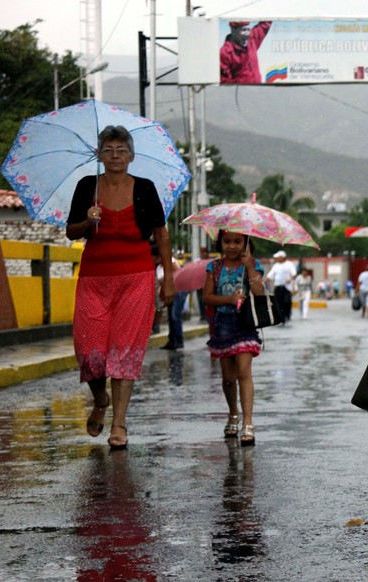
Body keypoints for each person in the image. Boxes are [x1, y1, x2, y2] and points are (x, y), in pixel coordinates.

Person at [66, 124, 175, 450]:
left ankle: (119, 423)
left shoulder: (145, 187)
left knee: (124, 352)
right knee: (90, 353)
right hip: (94, 279)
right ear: (99, 154)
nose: (115, 156)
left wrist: (167, 279)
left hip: (136, 278)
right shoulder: (87, 186)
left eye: (122, 150)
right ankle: (101, 400)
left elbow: (161, 235)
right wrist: (88, 222)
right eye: (109, 150)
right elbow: (71, 232)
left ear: (131, 156)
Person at [202, 230, 266, 446]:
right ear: (220, 242)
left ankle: (248, 422)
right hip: (222, 326)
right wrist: (229, 299)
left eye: (238, 241)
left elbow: (259, 292)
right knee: (228, 378)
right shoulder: (214, 267)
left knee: (243, 372)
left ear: (246, 243)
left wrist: (249, 267)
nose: (232, 246)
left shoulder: (254, 265)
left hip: (245, 325)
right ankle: (233, 413)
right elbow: (207, 297)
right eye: (227, 241)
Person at [161, 254, 186, 350]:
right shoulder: (160, 265)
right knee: (171, 317)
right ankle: (172, 340)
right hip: (171, 292)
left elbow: (179, 274)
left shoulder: (170, 261)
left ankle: (179, 341)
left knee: (175, 316)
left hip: (178, 291)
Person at [266, 250, 296, 322]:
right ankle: (281, 317)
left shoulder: (289, 264)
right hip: (278, 287)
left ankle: (287, 315)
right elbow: (270, 276)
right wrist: (263, 282)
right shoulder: (276, 266)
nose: (276, 259)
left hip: (286, 288)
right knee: (278, 303)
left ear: (282, 257)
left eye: (278, 257)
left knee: (287, 302)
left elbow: (294, 274)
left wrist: (290, 280)